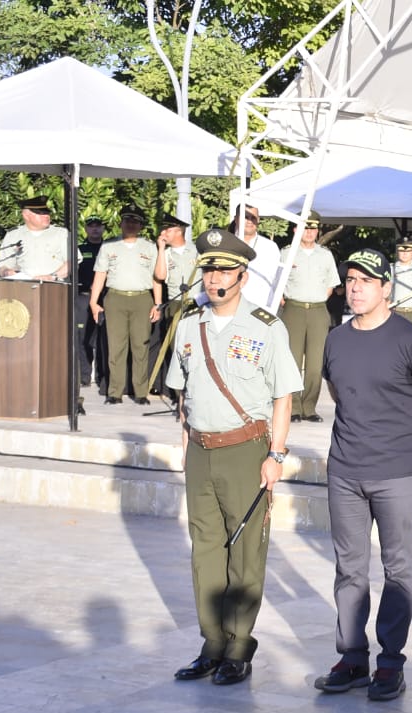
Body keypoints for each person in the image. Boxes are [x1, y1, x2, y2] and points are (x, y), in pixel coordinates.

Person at [167, 228, 301, 686]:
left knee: (245, 551)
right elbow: (183, 394)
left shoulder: (265, 326)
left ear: (242, 276)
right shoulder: (189, 323)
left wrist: (276, 454)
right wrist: (185, 446)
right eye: (208, 269)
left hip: (247, 449)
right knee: (205, 549)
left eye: (224, 270)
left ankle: (239, 645)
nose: (213, 278)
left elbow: (283, 395)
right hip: (201, 451)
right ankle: (212, 642)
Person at [313, 247, 412, 701]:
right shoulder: (336, 339)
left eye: (366, 281)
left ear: (386, 288)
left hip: (396, 473)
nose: (355, 288)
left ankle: (390, 662)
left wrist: (399, 435)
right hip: (345, 471)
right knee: (349, 569)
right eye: (351, 279)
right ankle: (352, 657)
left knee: (397, 568)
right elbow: (339, 391)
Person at [89, 204, 161, 405]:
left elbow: (156, 278)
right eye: (127, 220)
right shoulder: (109, 246)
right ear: (121, 223)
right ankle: (115, 392)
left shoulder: (149, 247)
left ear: (141, 225)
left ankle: (140, 392)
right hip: (115, 298)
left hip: (141, 299)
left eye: (135, 221)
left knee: (141, 346)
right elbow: (100, 275)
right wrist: (94, 303)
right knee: (116, 346)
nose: (130, 224)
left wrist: (158, 303)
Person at [278, 211, 340, 422]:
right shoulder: (286, 253)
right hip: (293, 309)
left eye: (313, 228)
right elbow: (277, 281)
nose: (310, 232)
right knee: (292, 361)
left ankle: (309, 407)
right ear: (296, 229)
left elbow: (331, 284)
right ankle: (293, 407)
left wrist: (317, 298)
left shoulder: (325, 255)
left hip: (317, 310)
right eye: (306, 227)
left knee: (315, 364)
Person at [149, 213, 198, 397]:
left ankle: (194, 391)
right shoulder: (165, 254)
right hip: (175, 305)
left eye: (167, 229)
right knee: (176, 348)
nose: (163, 233)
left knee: (193, 349)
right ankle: (179, 396)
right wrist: (161, 249)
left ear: (179, 231)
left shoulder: (197, 251)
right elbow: (160, 277)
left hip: (196, 304)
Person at [0, 195, 69, 280]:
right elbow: (3, 265)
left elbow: (72, 263)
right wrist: (6, 272)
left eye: (47, 212)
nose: (46, 216)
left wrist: (52, 277)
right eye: (40, 213)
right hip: (23, 287)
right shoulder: (13, 235)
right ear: (26, 215)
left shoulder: (61, 234)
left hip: (54, 287)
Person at [232, 204, 281, 310]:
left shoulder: (270, 247)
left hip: (260, 308)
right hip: (230, 306)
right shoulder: (226, 243)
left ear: (258, 220)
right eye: (246, 217)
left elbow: (276, 280)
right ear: (236, 219)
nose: (250, 221)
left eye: (253, 218)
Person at [76, 216, 106, 389]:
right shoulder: (80, 249)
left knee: (103, 338)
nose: (95, 229)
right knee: (83, 338)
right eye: (91, 226)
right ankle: (85, 376)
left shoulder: (108, 248)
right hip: (84, 297)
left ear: (103, 229)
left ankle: (102, 376)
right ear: (86, 229)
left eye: (98, 226)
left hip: (104, 298)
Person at [389, 238, 412, 324]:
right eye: (402, 251)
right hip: (396, 310)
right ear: (398, 252)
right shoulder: (391, 268)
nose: (405, 254)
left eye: (408, 251)